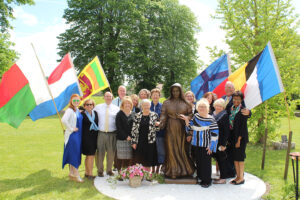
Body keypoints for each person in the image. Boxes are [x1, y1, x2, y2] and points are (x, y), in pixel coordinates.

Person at [160, 83, 195, 179]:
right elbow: (163, 114)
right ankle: (172, 171)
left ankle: (185, 170)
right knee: (171, 149)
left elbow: (191, 115)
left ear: (180, 91)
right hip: (170, 128)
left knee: (182, 149)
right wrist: (161, 122)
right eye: (173, 91)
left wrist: (187, 117)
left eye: (177, 90)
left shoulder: (186, 103)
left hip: (182, 128)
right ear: (171, 91)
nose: (175, 93)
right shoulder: (166, 102)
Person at [183, 98, 219, 188]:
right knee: (198, 162)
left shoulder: (211, 119)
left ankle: (207, 180)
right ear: (197, 108)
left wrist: (212, 146)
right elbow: (190, 127)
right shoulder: (196, 117)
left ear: (207, 108)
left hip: (206, 145)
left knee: (206, 163)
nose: (202, 108)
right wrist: (186, 121)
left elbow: (215, 134)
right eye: (200, 107)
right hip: (196, 144)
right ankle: (200, 177)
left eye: (203, 107)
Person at [222, 81, 250, 177]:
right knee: (230, 155)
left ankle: (238, 175)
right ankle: (231, 173)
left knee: (238, 156)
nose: (228, 89)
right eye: (227, 87)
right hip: (229, 134)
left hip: (238, 135)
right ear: (224, 89)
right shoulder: (223, 99)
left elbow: (245, 113)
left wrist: (249, 113)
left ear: (233, 89)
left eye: (230, 88)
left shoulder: (239, 103)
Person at [94, 92, 120, 177]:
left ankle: (109, 170)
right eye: (106, 96)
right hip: (101, 133)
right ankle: (100, 171)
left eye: (110, 96)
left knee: (111, 153)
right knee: (100, 153)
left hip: (112, 134)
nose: (108, 98)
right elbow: (89, 113)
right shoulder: (98, 107)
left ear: (112, 98)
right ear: (104, 97)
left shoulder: (116, 108)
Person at [131, 99, 160, 169]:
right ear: (141, 106)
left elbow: (157, 129)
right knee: (138, 158)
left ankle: (147, 175)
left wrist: (158, 125)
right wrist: (134, 142)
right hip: (139, 140)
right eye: (144, 105)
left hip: (150, 140)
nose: (146, 106)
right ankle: (139, 175)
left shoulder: (154, 115)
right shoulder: (137, 115)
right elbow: (134, 129)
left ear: (150, 105)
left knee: (148, 159)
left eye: (147, 105)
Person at [62, 94, 83, 183]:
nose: (76, 102)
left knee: (74, 153)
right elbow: (63, 120)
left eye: (77, 100)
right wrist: (71, 128)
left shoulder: (76, 110)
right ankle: (77, 174)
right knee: (74, 154)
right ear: (71, 101)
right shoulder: (69, 110)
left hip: (78, 135)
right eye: (74, 100)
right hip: (72, 136)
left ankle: (71, 173)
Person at [229, 91, 249, 185]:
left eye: (238, 99)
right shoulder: (231, 109)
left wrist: (239, 140)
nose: (236, 100)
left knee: (240, 158)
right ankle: (237, 176)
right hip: (233, 137)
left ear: (241, 100)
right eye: (234, 99)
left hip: (240, 138)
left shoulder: (243, 111)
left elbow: (243, 127)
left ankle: (241, 178)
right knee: (235, 158)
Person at [212, 98, 230, 184]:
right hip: (213, 141)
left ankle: (223, 178)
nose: (218, 107)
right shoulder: (213, 114)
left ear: (223, 107)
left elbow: (226, 131)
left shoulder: (225, 115)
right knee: (217, 159)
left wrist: (223, 144)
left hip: (220, 141)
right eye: (217, 105)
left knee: (221, 159)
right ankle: (220, 176)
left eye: (220, 106)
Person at [115, 96, 135, 171]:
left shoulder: (134, 114)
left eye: (129, 103)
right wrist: (126, 136)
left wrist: (131, 136)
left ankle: (128, 173)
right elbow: (118, 127)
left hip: (131, 139)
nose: (127, 105)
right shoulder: (119, 114)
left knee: (129, 158)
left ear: (131, 105)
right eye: (125, 103)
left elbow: (135, 127)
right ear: (122, 105)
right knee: (121, 157)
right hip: (121, 139)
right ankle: (120, 174)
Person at [81, 99, 99, 180]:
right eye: (87, 104)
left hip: (94, 137)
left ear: (93, 105)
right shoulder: (82, 114)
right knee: (90, 156)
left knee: (90, 156)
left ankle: (87, 173)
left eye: (90, 104)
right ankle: (90, 174)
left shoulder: (95, 113)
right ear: (84, 106)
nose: (89, 106)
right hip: (86, 138)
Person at [150, 88, 165, 173]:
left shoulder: (162, 107)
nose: (155, 96)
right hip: (150, 133)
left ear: (159, 96)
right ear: (151, 96)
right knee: (152, 151)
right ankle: (152, 170)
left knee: (160, 152)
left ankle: (157, 171)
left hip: (160, 133)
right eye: (153, 95)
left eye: (157, 95)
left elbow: (165, 118)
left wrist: (160, 122)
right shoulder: (148, 105)